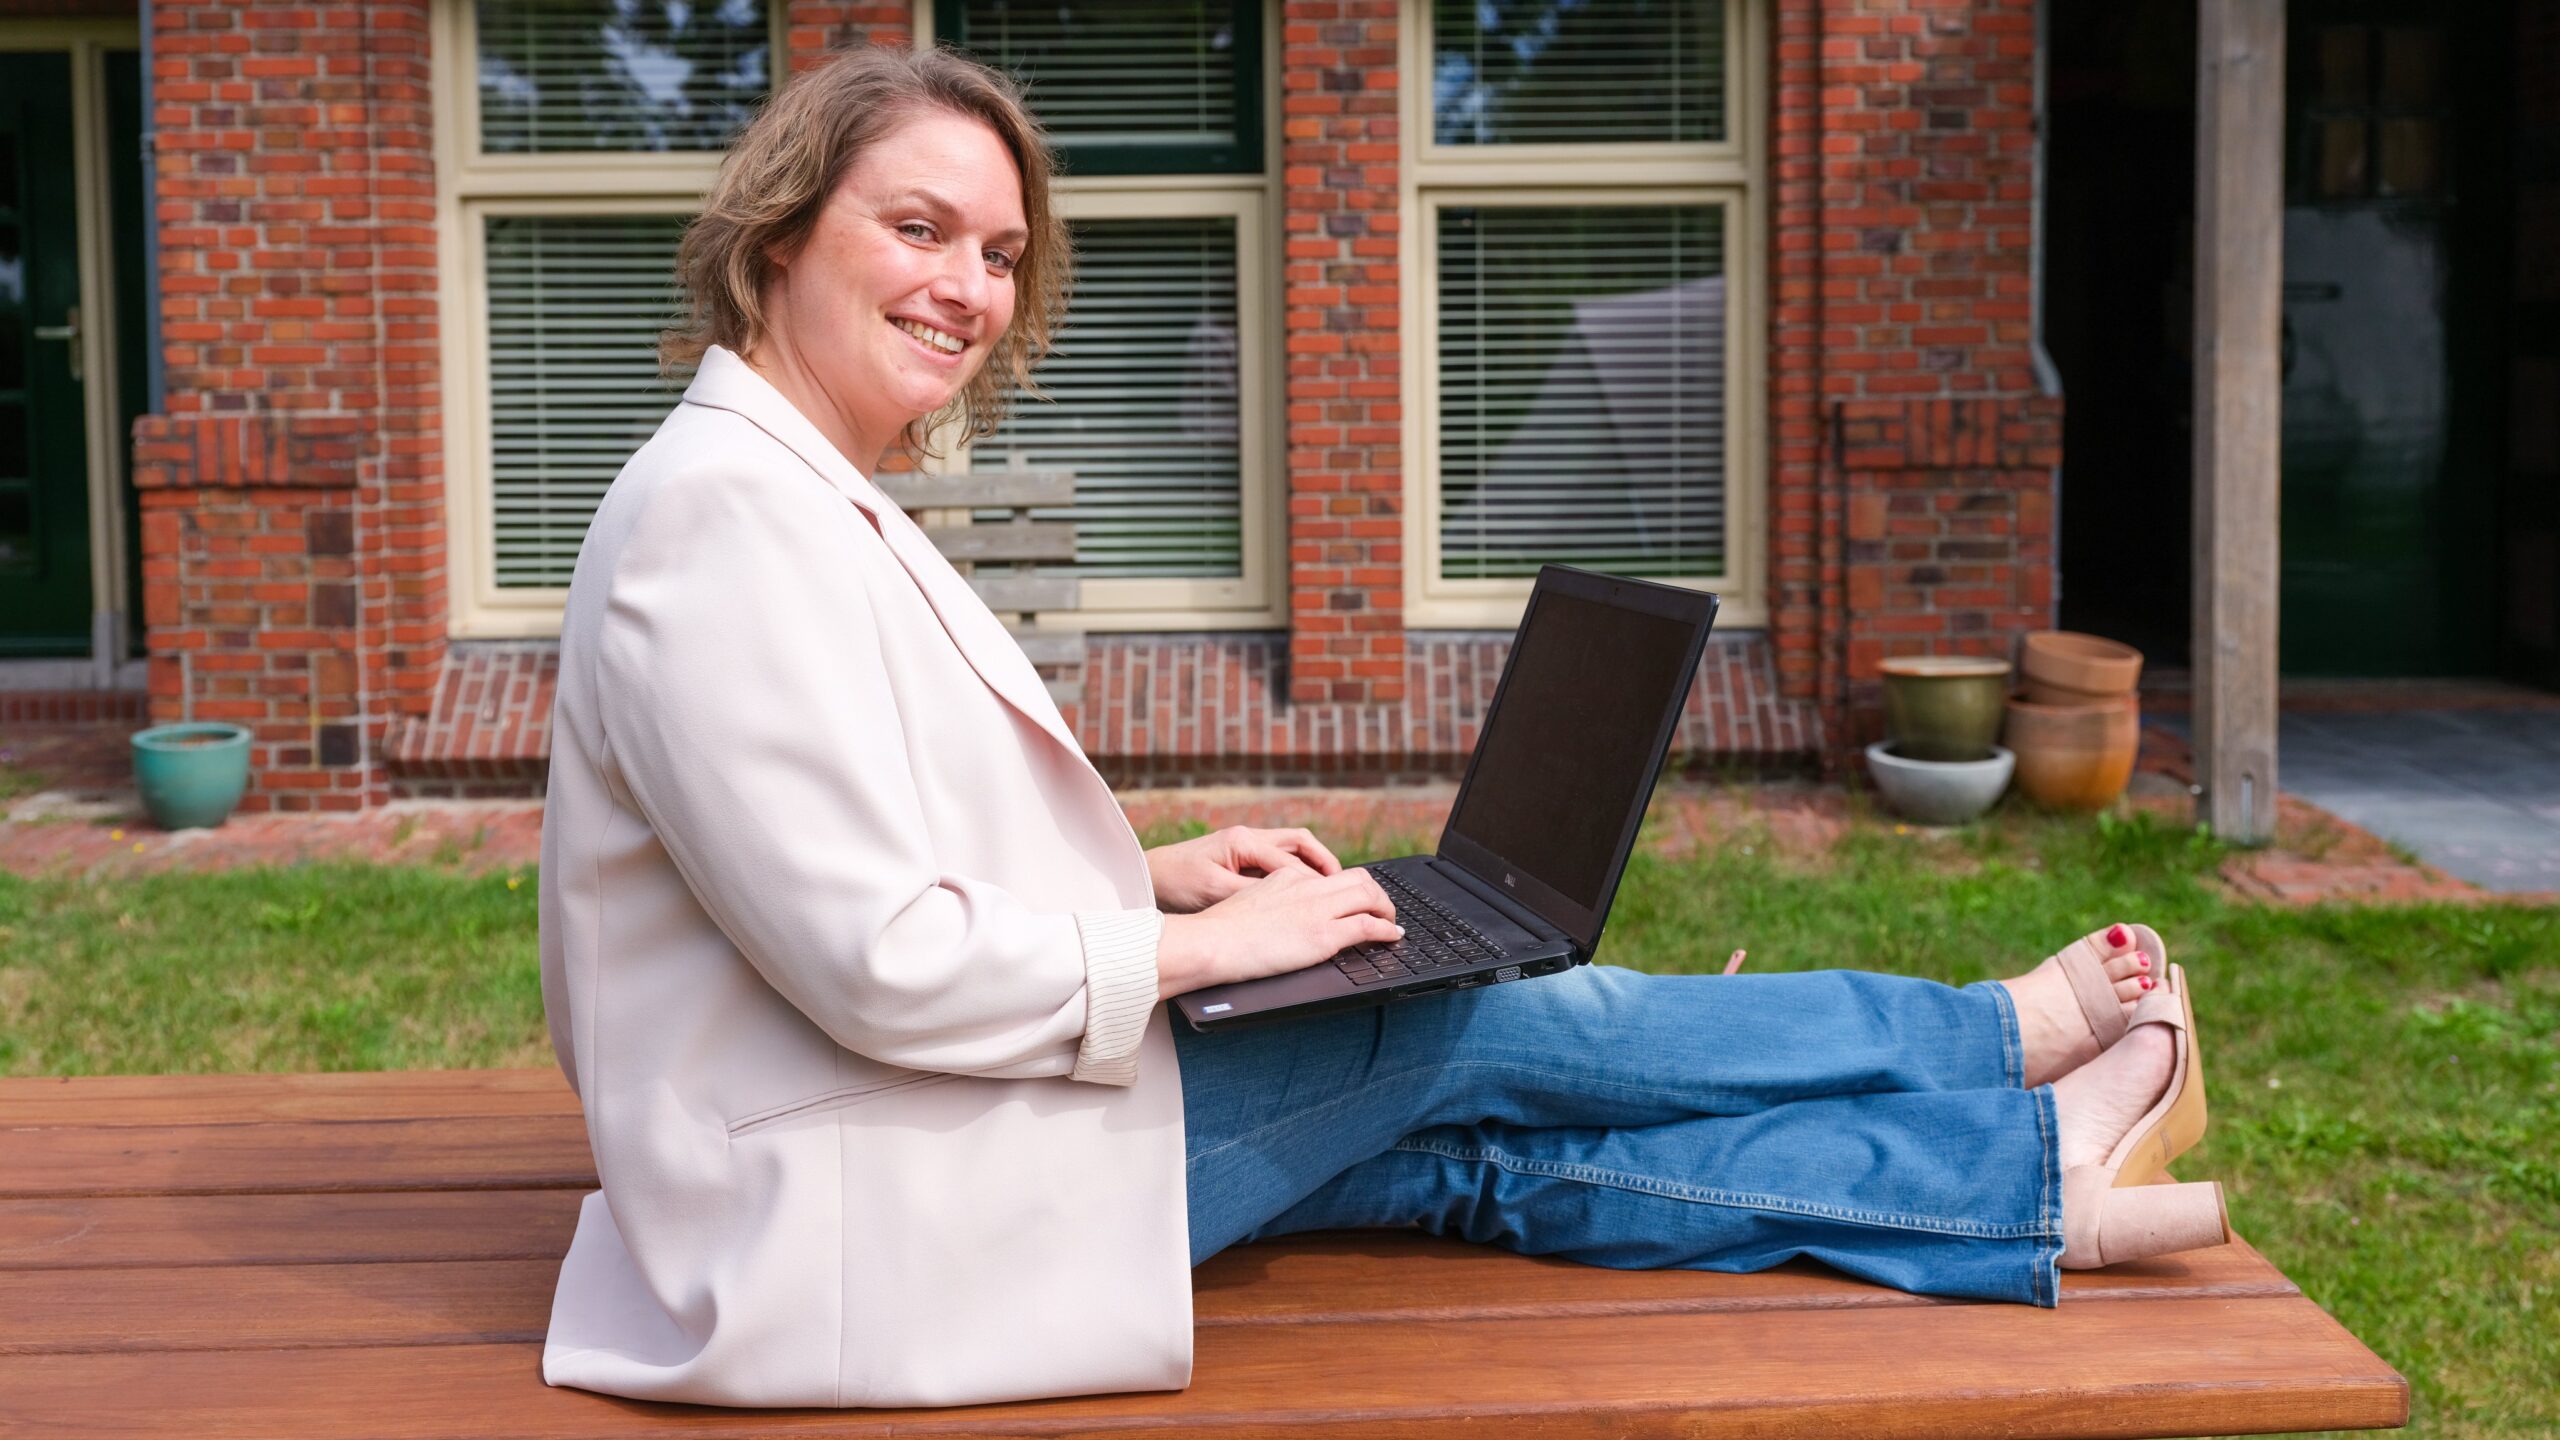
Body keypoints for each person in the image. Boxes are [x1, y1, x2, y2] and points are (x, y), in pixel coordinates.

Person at [535, 45, 2228, 1412]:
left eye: (998, 253)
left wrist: (1156, 875)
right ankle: (1992, 1043)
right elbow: (875, 959)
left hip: (902, 1152)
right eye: (920, 229)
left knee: (1451, 1154)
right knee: (1469, 1020)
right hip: (862, 1215)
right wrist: (1203, 952)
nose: (968, 287)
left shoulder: (787, 489)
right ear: (780, 237)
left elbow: (865, 856)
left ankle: (2013, 1185)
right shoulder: (722, 520)